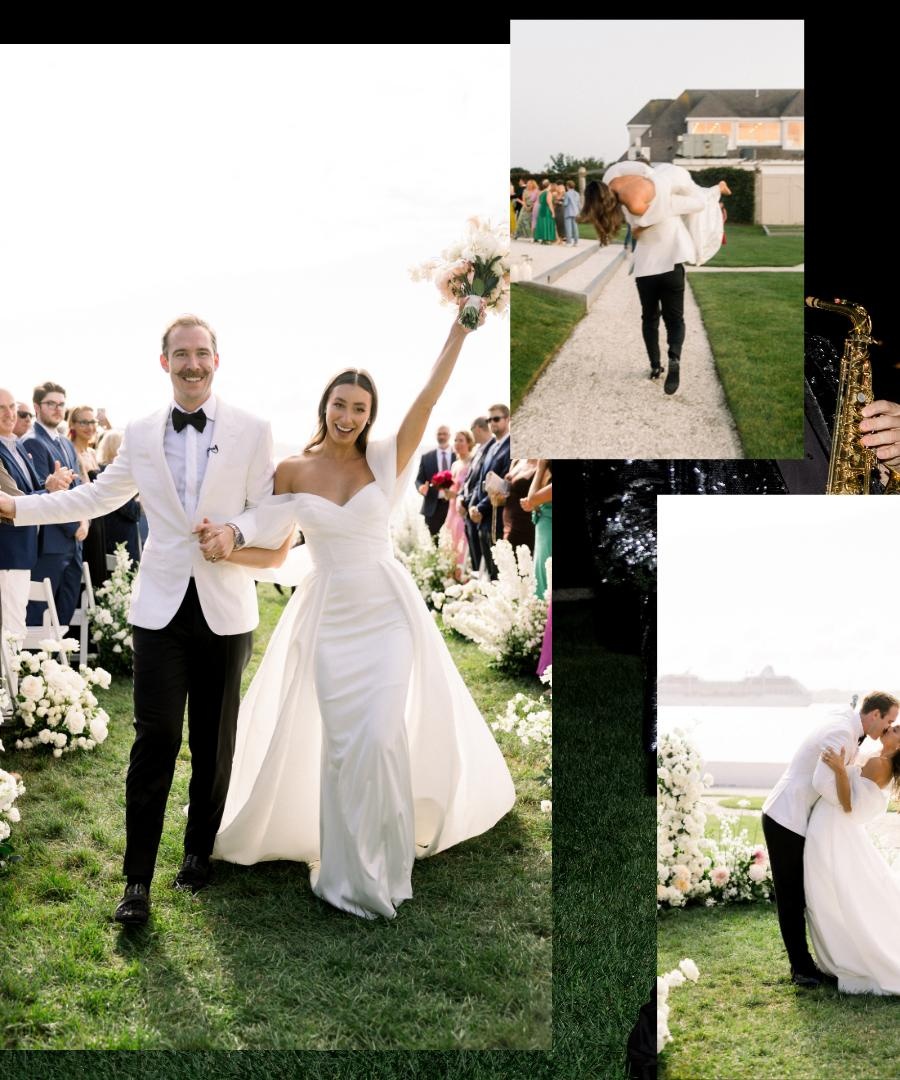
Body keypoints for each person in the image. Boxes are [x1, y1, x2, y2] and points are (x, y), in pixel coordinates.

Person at [203, 302, 516, 920]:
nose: (348, 417)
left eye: (361, 409)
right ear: (325, 405)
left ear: (370, 415)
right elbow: (272, 550)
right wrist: (228, 545)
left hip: (386, 613)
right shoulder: (290, 470)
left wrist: (459, 330)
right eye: (341, 404)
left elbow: (427, 401)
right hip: (331, 616)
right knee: (345, 743)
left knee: (378, 734)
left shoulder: (383, 462)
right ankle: (344, 865)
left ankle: (384, 858)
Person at [0, 315, 275, 926]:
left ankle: (199, 851)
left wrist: (237, 531)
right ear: (164, 363)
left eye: (202, 353)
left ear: (217, 360)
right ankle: (137, 881)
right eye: (182, 354)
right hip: (160, 609)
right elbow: (93, 498)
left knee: (214, 740)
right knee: (154, 740)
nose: (193, 364)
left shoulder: (254, 429)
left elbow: (268, 509)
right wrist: (15, 505)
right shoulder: (143, 432)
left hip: (226, 607)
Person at [761, 692, 899, 987]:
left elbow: (845, 792)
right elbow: (821, 782)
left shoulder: (848, 727)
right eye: (889, 720)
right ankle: (801, 967)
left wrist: (842, 778)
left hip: (802, 818)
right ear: (874, 714)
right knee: (790, 895)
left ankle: (806, 964)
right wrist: (841, 779)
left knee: (802, 894)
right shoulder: (842, 731)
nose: (889, 726)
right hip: (786, 815)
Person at [581, 162, 730, 394]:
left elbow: (641, 225)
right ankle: (675, 358)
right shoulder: (646, 191)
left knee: (649, 318)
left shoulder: (635, 209)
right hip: (672, 263)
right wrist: (712, 198)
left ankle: (654, 366)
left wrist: (640, 227)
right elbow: (694, 203)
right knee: (675, 318)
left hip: (645, 269)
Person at [806, 724, 900, 993]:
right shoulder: (879, 761)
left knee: (830, 890)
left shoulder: (879, 764)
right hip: (836, 827)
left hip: (835, 827)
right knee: (832, 890)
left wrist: (838, 768)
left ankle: (846, 958)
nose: (890, 729)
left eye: (896, 730)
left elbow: (849, 806)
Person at [0, 388, 73, 639]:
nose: (9, 414)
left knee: (15, 628)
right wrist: (50, 490)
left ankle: (14, 678)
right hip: (6, 552)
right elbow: (10, 502)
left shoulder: (17, 447)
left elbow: (30, 493)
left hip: (24, 551)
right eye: (2, 408)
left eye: (13, 408)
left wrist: (48, 487)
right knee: (11, 631)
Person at [68, 404, 109, 587]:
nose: (90, 427)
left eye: (92, 421)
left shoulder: (92, 453)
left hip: (98, 519)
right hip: (85, 520)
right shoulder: (72, 452)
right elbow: (82, 490)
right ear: (73, 425)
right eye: (84, 422)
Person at [468, 405, 511, 580]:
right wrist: (473, 507)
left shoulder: (511, 447)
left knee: (499, 574)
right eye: (489, 420)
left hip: (497, 517)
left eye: (496, 419)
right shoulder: (492, 447)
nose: (492, 423)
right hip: (483, 520)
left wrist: (480, 508)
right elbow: (480, 480)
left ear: (507, 419)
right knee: (489, 573)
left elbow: (505, 483)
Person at [96, 431, 142, 564]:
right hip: (120, 541)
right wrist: (139, 503)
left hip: (111, 538)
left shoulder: (101, 470)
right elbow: (132, 511)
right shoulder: (113, 473)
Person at [458, 416, 491, 574]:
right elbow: (468, 480)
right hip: (468, 511)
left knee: (483, 561)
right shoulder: (478, 450)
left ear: (477, 428)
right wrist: (460, 497)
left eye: (472, 430)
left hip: (477, 510)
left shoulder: (490, 448)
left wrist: (469, 504)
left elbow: (481, 481)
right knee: (475, 559)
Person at [415, 424, 456, 539]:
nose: (442, 436)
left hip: (453, 504)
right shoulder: (426, 457)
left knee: (454, 542)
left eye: (444, 434)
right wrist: (421, 487)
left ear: (449, 436)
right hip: (433, 506)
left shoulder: (457, 455)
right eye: (439, 434)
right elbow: (419, 479)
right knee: (435, 542)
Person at [444, 428, 475, 577]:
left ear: (469, 442)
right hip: (451, 510)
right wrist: (447, 492)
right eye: (455, 440)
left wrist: (455, 494)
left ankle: (461, 577)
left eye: (461, 440)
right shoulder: (455, 464)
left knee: (462, 544)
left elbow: (469, 489)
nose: (457, 443)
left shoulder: (472, 462)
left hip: (462, 509)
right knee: (449, 544)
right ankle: (449, 577)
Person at [522, 459, 552, 599]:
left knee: (544, 576)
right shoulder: (548, 469)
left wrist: (540, 468)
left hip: (548, 533)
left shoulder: (543, 468)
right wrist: (533, 504)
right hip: (542, 530)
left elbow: (533, 497)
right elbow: (535, 501)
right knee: (540, 574)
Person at [502, 458, 537, 552]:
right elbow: (506, 492)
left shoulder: (542, 465)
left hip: (522, 524)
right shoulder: (517, 461)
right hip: (507, 521)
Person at [533, 180, 556, 245]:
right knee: (547, 223)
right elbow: (549, 203)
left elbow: (539, 201)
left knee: (542, 223)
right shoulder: (548, 192)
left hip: (541, 208)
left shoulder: (540, 192)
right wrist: (553, 212)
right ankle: (546, 239)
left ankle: (543, 239)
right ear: (549, 185)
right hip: (546, 209)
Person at [563, 181, 581, 246]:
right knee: (575, 227)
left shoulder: (567, 194)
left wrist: (561, 201)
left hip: (568, 212)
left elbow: (565, 203)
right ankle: (576, 242)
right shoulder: (577, 193)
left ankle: (569, 242)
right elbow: (579, 204)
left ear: (567, 186)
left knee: (568, 228)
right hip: (576, 212)